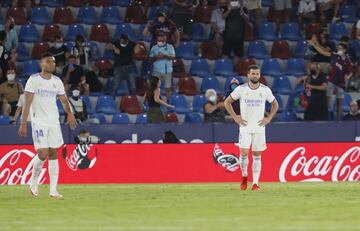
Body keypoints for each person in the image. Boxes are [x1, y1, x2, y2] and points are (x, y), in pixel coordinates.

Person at [18, 52, 77, 199]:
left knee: (53, 153)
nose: (51, 64)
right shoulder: (33, 80)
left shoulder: (57, 81)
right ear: (41, 64)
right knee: (43, 153)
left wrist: (69, 114)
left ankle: (53, 190)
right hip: (39, 122)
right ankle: (33, 181)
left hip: (54, 122)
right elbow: (27, 103)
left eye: (53, 62)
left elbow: (64, 100)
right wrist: (24, 123)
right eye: (48, 61)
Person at [224, 65, 279, 191]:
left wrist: (268, 118)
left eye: (257, 74)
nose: (255, 76)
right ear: (248, 75)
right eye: (253, 74)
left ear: (260, 75)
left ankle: (255, 183)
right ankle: (244, 177)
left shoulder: (265, 90)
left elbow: (275, 104)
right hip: (245, 127)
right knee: (243, 153)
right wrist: (235, 118)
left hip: (259, 128)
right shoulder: (241, 89)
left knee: (257, 155)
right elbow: (227, 102)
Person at [309, 41, 353, 120]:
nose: (338, 49)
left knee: (339, 102)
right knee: (327, 100)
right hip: (332, 80)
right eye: (338, 48)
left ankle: (339, 121)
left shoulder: (347, 61)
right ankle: (324, 118)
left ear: (345, 50)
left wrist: (348, 76)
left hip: (341, 83)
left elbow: (350, 72)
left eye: (340, 48)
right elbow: (323, 52)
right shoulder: (335, 55)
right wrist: (314, 45)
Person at [149, 33, 176, 100]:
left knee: (168, 88)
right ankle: (153, 102)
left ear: (165, 39)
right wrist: (156, 57)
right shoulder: (154, 48)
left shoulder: (170, 47)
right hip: (156, 71)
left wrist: (165, 56)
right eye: (159, 41)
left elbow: (173, 57)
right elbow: (150, 59)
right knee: (153, 88)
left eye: (161, 41)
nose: (160, 42)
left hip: (167, 71)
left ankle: (168, 102)